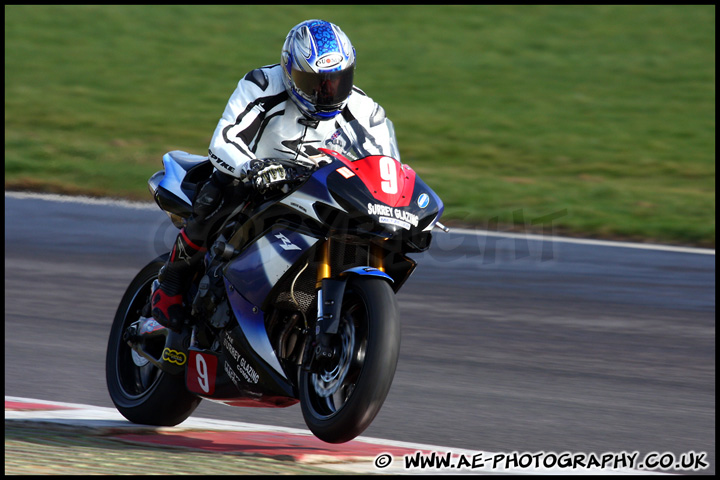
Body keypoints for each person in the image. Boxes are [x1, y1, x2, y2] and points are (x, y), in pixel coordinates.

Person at [151, 19, 393, 331]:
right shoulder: (262, 85)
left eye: (337, 81)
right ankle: (171, 282)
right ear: (290, 71)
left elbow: (384, 167)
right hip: (258, 181)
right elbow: (224, 140)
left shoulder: (366, 112)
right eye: (315, 83)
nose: (326, 93)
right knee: (223, 189)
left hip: (321, 191)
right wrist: (249, 167)